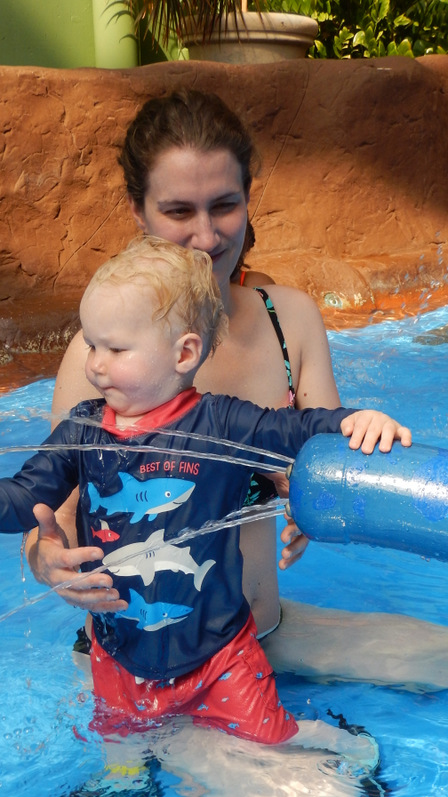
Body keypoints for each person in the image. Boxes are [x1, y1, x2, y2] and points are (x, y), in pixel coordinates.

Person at [0, 238, 411, 795]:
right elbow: (21, 498)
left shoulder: (224, 425)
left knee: (267, 743)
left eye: (116, 349)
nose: (95, 365)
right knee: (122, 749)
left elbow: (300, 430)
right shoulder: (83, 432)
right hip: (118, 655)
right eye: (92, 344)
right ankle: (123, 782)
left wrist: (359, 421)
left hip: (218, 657)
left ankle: (331, 737)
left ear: (183, 353)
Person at [24, 88, 448, 691]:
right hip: (144, 674)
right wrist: (46, 560)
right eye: (179, 211)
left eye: (224, 205)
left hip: (261, 636)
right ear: (138, 212)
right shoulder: (98, 359)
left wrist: (336, 466)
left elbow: (327, 468)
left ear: (248, 198)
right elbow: (49, 515)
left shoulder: (288, 322)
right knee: (319, 760)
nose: (206, 236)